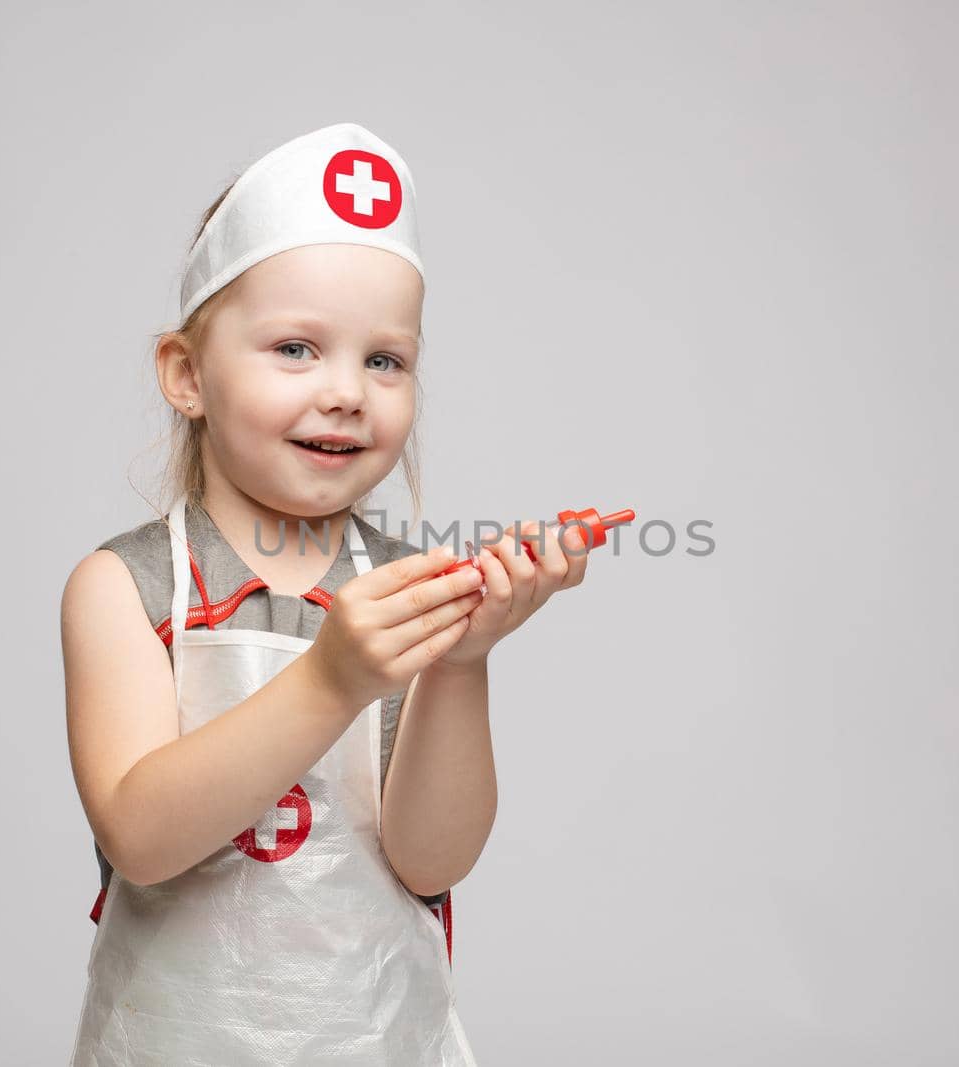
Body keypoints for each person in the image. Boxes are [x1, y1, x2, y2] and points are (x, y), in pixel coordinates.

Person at [61, 122, 591, 1065]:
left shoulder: (407, 588)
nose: (347, 390)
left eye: (384, 359)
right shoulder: (124, 587)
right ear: (187, 374)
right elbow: (142, 836)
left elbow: (430, 861)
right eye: (297, 348)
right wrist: (332, 678)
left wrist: (463, 658)